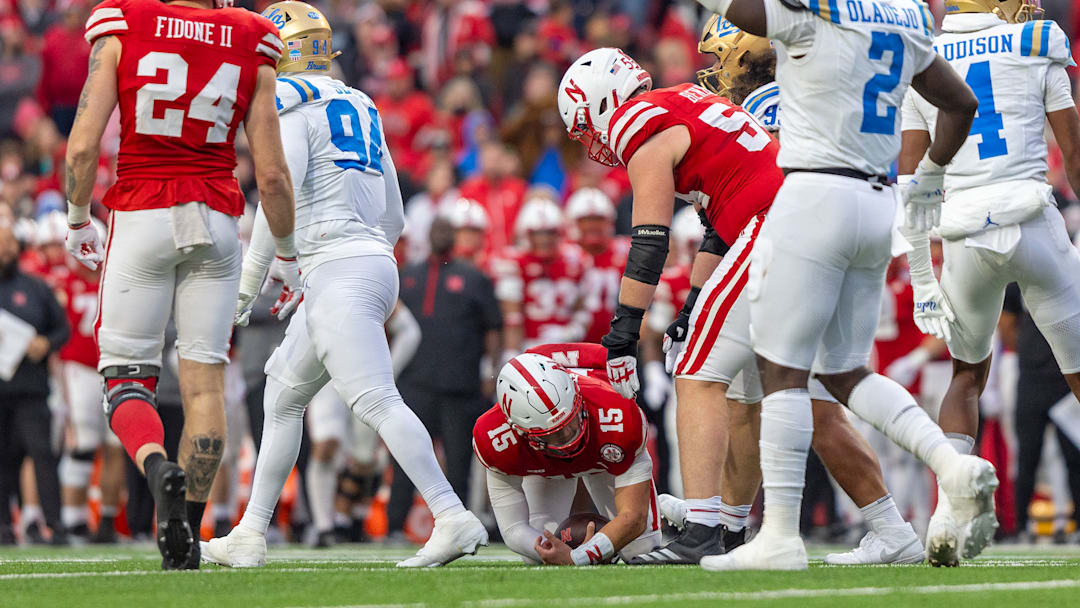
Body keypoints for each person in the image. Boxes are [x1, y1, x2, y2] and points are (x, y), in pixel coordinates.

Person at [693, 0, 991, 571]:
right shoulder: (904, 16)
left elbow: (729, 8)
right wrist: (928, 178)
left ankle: (779, 536)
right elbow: (960, 104)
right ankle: (953, 467)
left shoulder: (814, 16)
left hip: (813, 193)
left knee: (779, 367)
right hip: (878, 201)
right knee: (845, 372)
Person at [203, 2, 487, 569]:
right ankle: (251, 532)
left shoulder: (290, 104)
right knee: (283, 392)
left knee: (376, 399)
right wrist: (332, 263)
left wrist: (252, 281)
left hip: (338, 267)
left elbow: (276, 189)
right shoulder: (360, 103)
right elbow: (396, 219)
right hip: (367, 261)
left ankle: (451, 514)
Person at [655, 15, 927, 566]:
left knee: (759, 387)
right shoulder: (796, 84)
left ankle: (733, 527)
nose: (712, 72)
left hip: (800, 248)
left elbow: (766, 192)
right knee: (773, 397)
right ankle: (876, 527)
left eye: (717, 58)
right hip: (842, 233)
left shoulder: (771, 101)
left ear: (744, 52)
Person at [65, 0, 299, 569]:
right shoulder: (252, 36)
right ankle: (188, 536)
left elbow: (82, 145)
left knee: (125, 378)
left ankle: (154, 465)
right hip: (217, 218)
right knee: (205, 384)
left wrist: (76, 218)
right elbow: (271, 173)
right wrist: (288, 255)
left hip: (143, 208)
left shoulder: (123, 23)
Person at [898, 0, 1080, 566]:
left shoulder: (923, 58)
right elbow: (1073, 154)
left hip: (962, 232)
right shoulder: (1036, 43)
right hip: (1032, 218)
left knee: (967, 377)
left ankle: (946, 515)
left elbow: (911, 187)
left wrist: (922, 276)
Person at [473, 345, 660, 565]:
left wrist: (580, 556)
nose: (570, 437)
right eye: (555, 435)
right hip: (548, 470)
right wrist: (555, 552)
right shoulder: (494, 437)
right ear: (520, 431)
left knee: (641, 550)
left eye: (571, 421)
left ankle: (667, 506)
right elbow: (514, 529)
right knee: (536, 557)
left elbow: (633, 518)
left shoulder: (617, 413)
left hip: (602, 452)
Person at [388, 217, 502, 540]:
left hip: (460, 384)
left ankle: (457, 525)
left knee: (459, 460)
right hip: (415, 382)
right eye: (435, 230)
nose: (440, 235)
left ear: (453, 237)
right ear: (428, 235)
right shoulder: (408, 276)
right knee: (405, 455)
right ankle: (394, 524)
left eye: (445, 231)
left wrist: (489, 372)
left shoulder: (474, 278)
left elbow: (493, 327)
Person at [54, 218, 126, 543]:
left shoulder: (118, 282)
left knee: (115, 448)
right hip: (80, 370)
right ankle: (74, 521)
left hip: (113, 369)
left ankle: (107, 519)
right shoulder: (63, 283)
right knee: (81, 446)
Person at [0, 223, 70, 545]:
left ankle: (55, 524)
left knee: (42, 454)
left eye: (9, 243)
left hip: (31, 389)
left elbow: (62, 329)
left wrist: (46, 343)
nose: (5, 250)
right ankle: (3, 527)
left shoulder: (36, 288)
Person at [494, 197, 584, 356]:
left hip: (567, 347)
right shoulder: (514, 262)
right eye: (538, 233)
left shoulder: (574, 259)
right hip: (529, 346)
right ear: (526, 234)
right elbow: (512, 317)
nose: (544, 239)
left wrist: (573, 330)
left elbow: (583, 307)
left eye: (549, 233)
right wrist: (511, 353)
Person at [567, 188, 629, 345]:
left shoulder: (625, 250)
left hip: (618, 342)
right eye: (586, 220)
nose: (593, 226)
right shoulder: (564, 255)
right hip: (572, 340)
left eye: (598, 220)